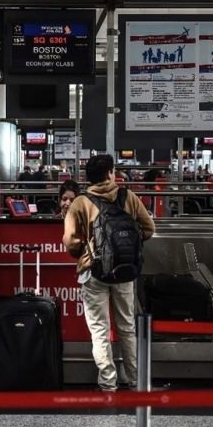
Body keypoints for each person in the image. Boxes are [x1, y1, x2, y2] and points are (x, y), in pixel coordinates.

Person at [62, 154, 155, 392]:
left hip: (94, 273)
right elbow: (149, 228)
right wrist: (128, 246)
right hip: (125, 272)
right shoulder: (128, 196)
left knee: (99, 329)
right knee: (127, 326)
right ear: (110, 173)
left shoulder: (80, 203)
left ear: (88, 177)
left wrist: (85, 252)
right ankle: (135, 379)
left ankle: (108, 381)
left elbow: (70, 242)